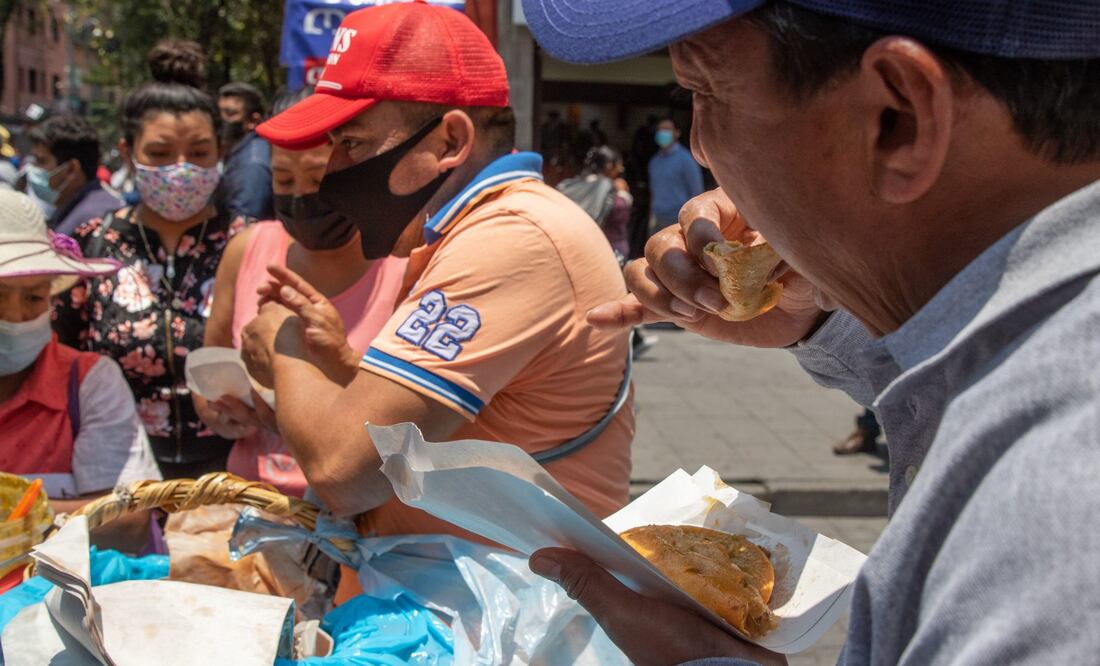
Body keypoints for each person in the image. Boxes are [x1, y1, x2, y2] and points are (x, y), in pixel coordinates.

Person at [525, 0, 1100, 664]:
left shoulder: (1055, 502)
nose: (701, 146)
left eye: (707, 93)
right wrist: (833, 314)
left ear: (897, 120)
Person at [241, 2, 633, 545]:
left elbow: (344, 474)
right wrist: (346, 367)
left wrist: (283, 349)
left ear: (449, 141)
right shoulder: (479, 227)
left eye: (352, 144)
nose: (330, 177)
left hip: (485, 611)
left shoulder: (510, 239)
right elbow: (472, 420)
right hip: (453, 591)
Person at [193, 86, 407, 497]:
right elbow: (211, 368)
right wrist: (222, 413)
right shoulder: (246, 248)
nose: (300, 197)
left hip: (359, 510)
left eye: (317, 178)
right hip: (253, 501)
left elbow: (411, 417)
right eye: (283, 179)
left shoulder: (405, 263)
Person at [54, 44, 251, 480]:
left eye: (199, 154)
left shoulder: (251, 243)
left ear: (220, 152)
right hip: (115, 468)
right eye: (160, 154)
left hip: (237, 468)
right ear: (128, 155)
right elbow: (60, 356)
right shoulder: (92, 248)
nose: (181, 169)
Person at [0, 190, 161, 553]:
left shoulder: (89, 380)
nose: (15, 317)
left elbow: (128, 520)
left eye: (33, 297)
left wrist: (13, 517)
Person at [26, 115, 124, 236]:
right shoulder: (71, 208)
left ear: (72, 169)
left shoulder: (94, 219)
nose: (32, 168)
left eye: (41, 161)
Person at [556, 145, 632, 259]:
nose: (621, 168)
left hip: (575, 246)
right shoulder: (609, 188)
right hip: (607, 250)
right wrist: (623, 195)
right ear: (609, 166)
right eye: (619, 164)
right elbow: (619, 214)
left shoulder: (575, 184)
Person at [217, 83, 274, 220]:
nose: (221, 120)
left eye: (230, 113)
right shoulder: (238, 153)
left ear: (253, 121)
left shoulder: (252, 163)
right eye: (218, 113)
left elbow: (243, 221)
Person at [646, 117, 704, 238]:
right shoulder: (654, 161)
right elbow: (653, 192)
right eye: (660, 129)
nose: (662, 133)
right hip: (657, 217)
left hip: (677, 219)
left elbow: (697, 193)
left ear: (677, 133)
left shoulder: (686, 160)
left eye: (666, 129)